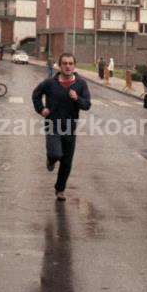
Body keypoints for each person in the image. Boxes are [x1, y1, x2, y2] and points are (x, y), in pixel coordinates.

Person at [32, 53, 91, 201]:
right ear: (59, 65)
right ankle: (50, 159)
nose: (68, 66)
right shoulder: (50, 83)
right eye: (64, 63)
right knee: (55, 153)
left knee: (66, 162)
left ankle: (60, 189)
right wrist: (41, 109)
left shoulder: (80, 84)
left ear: (74, 66)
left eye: (71, 63)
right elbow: (36, 94)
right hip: (52, 124)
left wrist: (77, 98)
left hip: (70, 127)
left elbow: (87, 105)